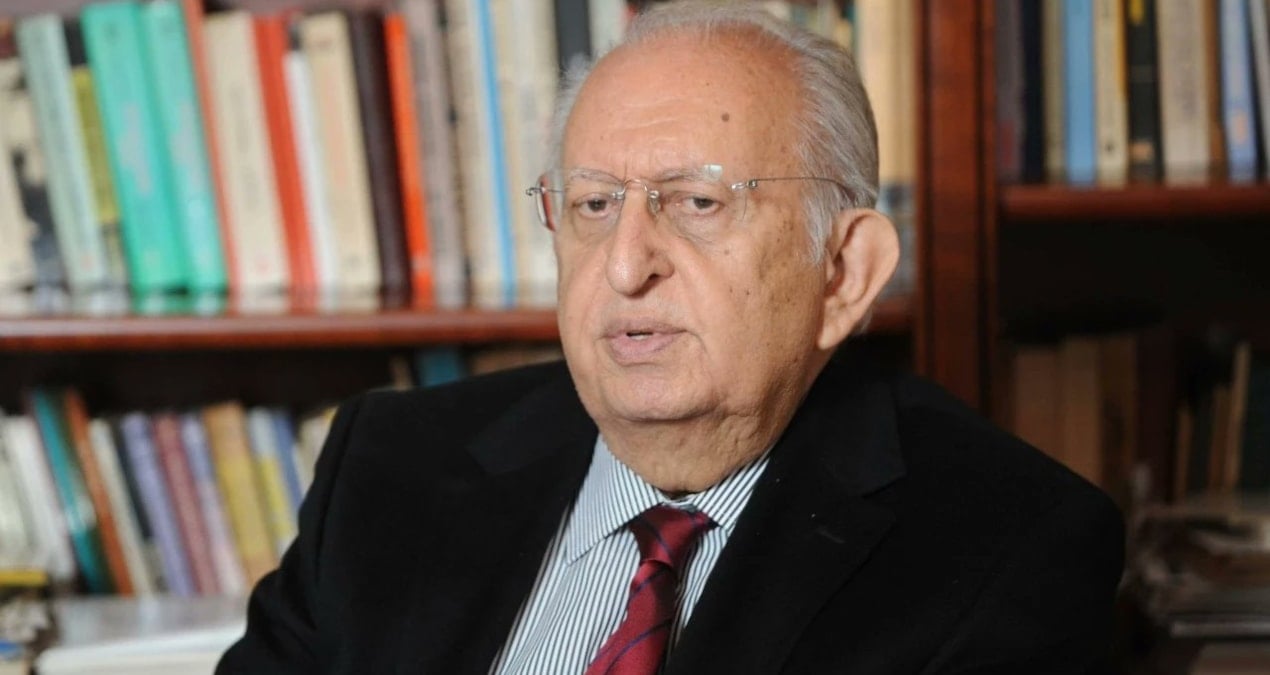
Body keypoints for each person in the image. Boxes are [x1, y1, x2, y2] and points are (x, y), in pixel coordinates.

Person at [219, 3, 1124, 673]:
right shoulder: (388, 465)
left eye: (697, 202)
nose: (625, 266)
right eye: (593, 204)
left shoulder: (1010, 548)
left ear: (844, 272)